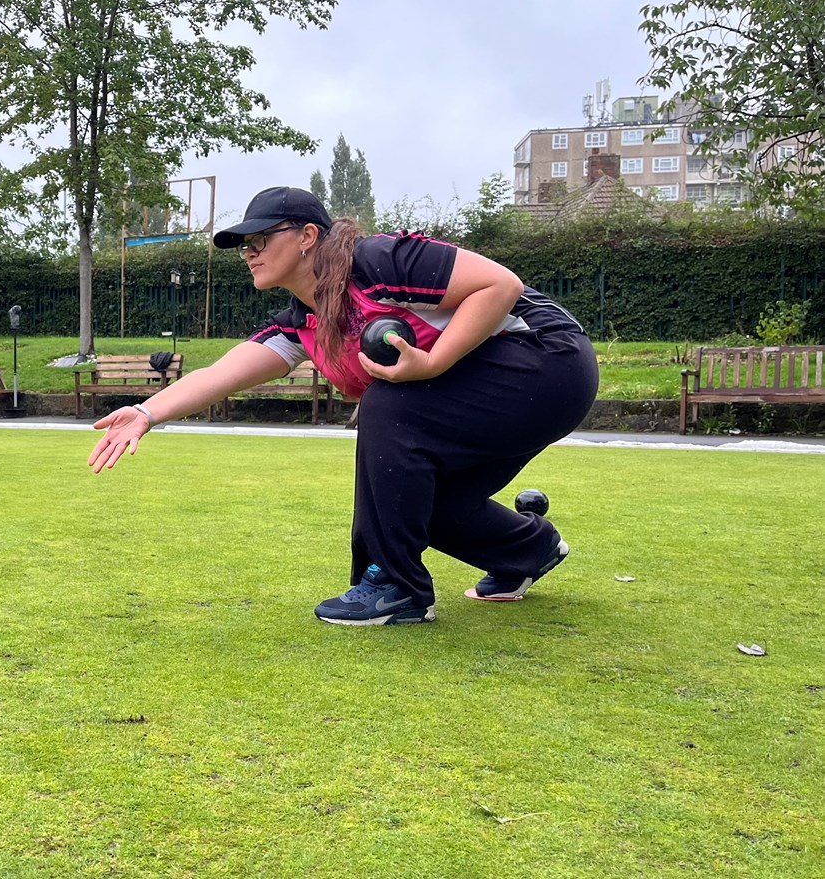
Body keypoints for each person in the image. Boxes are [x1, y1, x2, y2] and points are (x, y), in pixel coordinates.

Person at [88, 185, 599, 626]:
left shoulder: (377, 261)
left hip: (547, 360)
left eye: (261, 238)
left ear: (308, 236)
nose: (249, 251)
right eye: (245, 244)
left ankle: (395, 588)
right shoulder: (300, 322)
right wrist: (147, 411)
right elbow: (222, 373)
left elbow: (500, 285)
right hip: (502, 387)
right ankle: (528, 549)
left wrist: (434, 362)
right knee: (420, 506)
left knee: (389, 403)